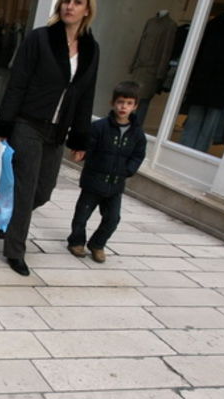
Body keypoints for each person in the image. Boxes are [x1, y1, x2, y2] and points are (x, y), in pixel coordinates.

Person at [0, 0, 99, 276]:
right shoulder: (40, 39)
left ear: (87, 10)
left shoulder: (91, 49)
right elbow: (17, 83)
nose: (69, 7)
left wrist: (80, 139)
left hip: (58, 131)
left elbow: (86, 96)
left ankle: (7, 219)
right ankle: (15, 251)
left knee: (43, 191)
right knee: (25, 192)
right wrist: (1, 126)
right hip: (28, 124)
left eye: (77, 3)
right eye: (66, 2)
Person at [67, 81, 146, 263]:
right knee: (81, 215)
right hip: (93, 181)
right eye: (120, 102)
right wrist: (82, 154)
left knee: (112, 219)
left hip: (115, 185)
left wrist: (128, 170)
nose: (123, 107)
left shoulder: (137, 134)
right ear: (112, 103)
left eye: (128, 103)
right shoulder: (99, 127)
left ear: (135, 106)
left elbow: (138, 155)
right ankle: (76, 241)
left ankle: (97, 244)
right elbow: (89, 147)